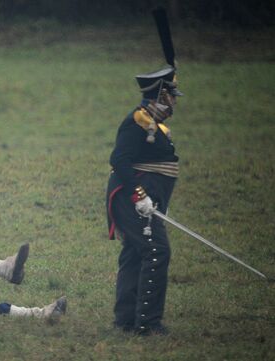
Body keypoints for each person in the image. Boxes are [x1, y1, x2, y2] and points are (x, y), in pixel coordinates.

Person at [106, 66, 183, 335]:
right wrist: (140, 196)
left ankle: (126, 320)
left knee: (135, 254)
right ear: (160, 96)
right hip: (134, 199)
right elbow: (119, 160)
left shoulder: (153, 123)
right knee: (156, 250)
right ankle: (147, 324)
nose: (175, 101)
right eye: (171, 96)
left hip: (144, 198)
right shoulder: (137, 121)